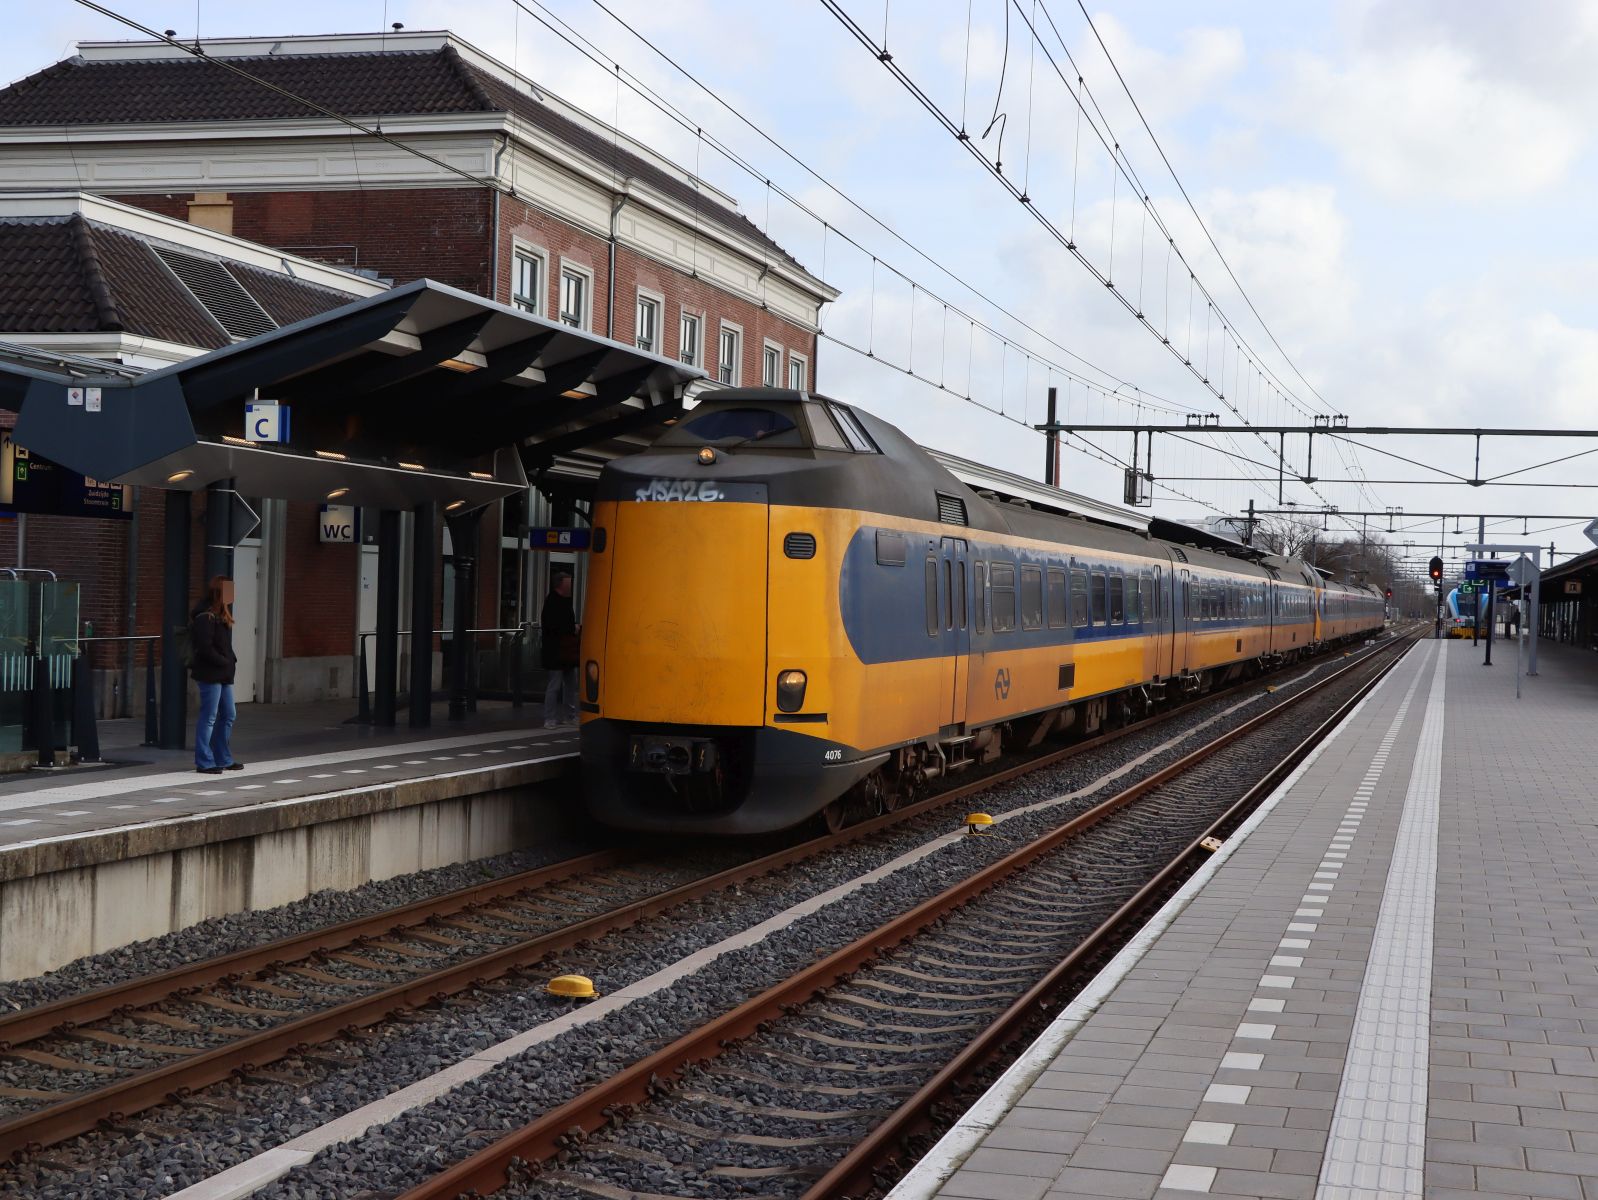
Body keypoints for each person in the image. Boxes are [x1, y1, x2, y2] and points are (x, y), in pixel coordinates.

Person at [191, 575, 243, 774]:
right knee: (210, 716)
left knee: (229, 714)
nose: (233, 595)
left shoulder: (221, 616)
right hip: (211, 673)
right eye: (230, 591)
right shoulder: (205, 617)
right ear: (220, 593)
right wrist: (224, 661)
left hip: (223, 674)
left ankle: (222, 757)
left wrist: (230, 661)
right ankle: (205, 761)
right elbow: (204, 648)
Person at [540, 572, 579, 728]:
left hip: (565, 651)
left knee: (570, 684)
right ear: (561, 584)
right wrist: (573, 628)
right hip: (556, 651)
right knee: (555, 685)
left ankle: (569, 715)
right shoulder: (553, 602)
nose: (570, 586)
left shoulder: (564, 601)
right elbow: (555, 625)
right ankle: (550, 718)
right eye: (568, 583)